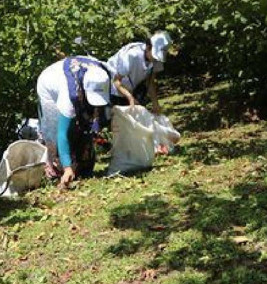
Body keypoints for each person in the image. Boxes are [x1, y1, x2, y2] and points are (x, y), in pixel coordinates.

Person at [36, 56, 112, 186]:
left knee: (84, 125)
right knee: (55, 133)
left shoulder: (104, 75)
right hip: (49, 87)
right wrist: (67, 168)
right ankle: (56, 171)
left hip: (75, 80)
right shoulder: (68, 93)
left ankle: (82, 165)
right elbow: (62, 133)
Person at [107, 31, 172, 113]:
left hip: (131, 87)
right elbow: (116, 81)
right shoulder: (132, 55)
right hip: (113, 89)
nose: (156, 59)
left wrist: (155, 104)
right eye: (155, 56)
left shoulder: (157, 59)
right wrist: (130, 98)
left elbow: (150, 82)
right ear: (148, 47)